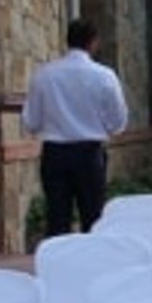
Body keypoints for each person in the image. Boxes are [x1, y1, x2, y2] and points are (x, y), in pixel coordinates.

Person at [23, 18, 128, 237]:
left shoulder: (45, 75)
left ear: (67, 41)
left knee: (57, 219)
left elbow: (31, 121)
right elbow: (118, 121)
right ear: (93, 43)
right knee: (93, 218)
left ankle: (57, 267)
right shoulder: (104, 76)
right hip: (89, 154)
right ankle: (93, 266)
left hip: (55, 153)